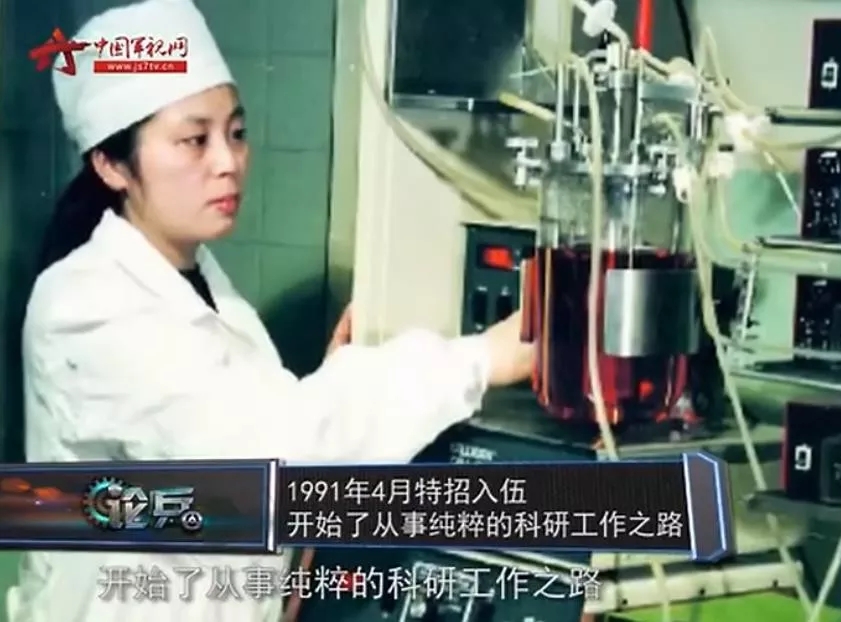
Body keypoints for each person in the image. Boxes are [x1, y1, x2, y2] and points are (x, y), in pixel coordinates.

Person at [8, 1, 534, 620]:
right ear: (111, 164)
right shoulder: (83, 307)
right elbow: (273, 452)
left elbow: (234, 457)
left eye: (236, 132)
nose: (228, 161)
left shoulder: (201, 284)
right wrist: (482, 359)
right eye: (194, 140)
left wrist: (332, 380)